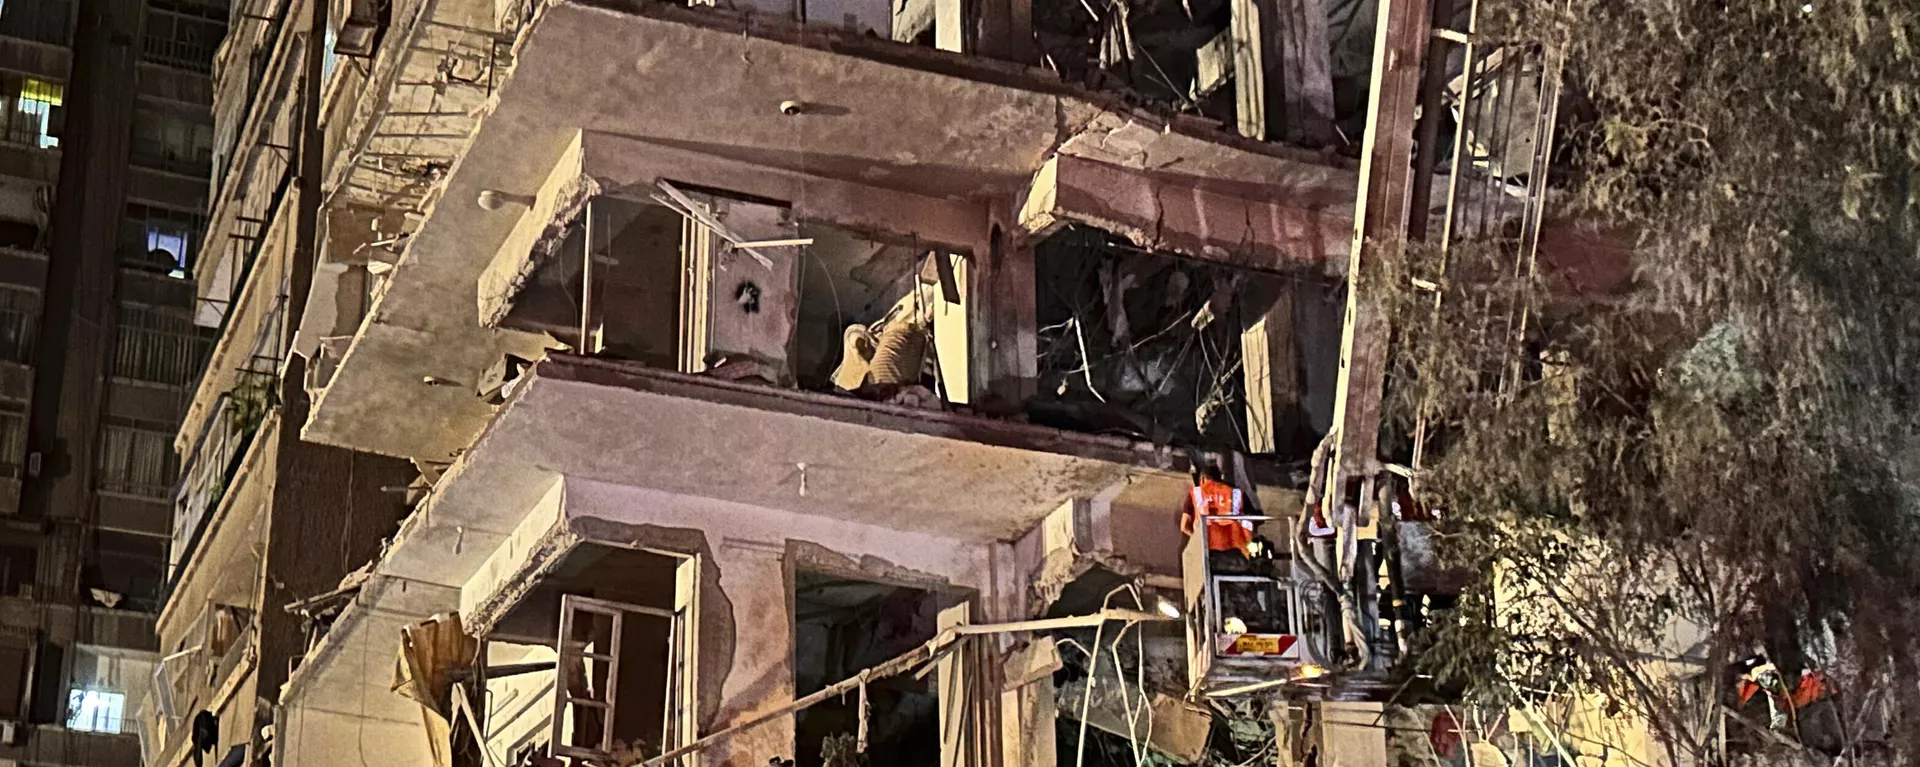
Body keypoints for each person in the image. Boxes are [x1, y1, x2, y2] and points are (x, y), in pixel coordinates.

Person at [1179, 464, 1254, 566]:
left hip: (1208, 552)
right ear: (1220, 479)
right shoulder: (1236, 493)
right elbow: (1250, 522)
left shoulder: (1196, 493)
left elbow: (1184, 526)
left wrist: (1197, 540)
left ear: (1202, 480)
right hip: (1236, 550)